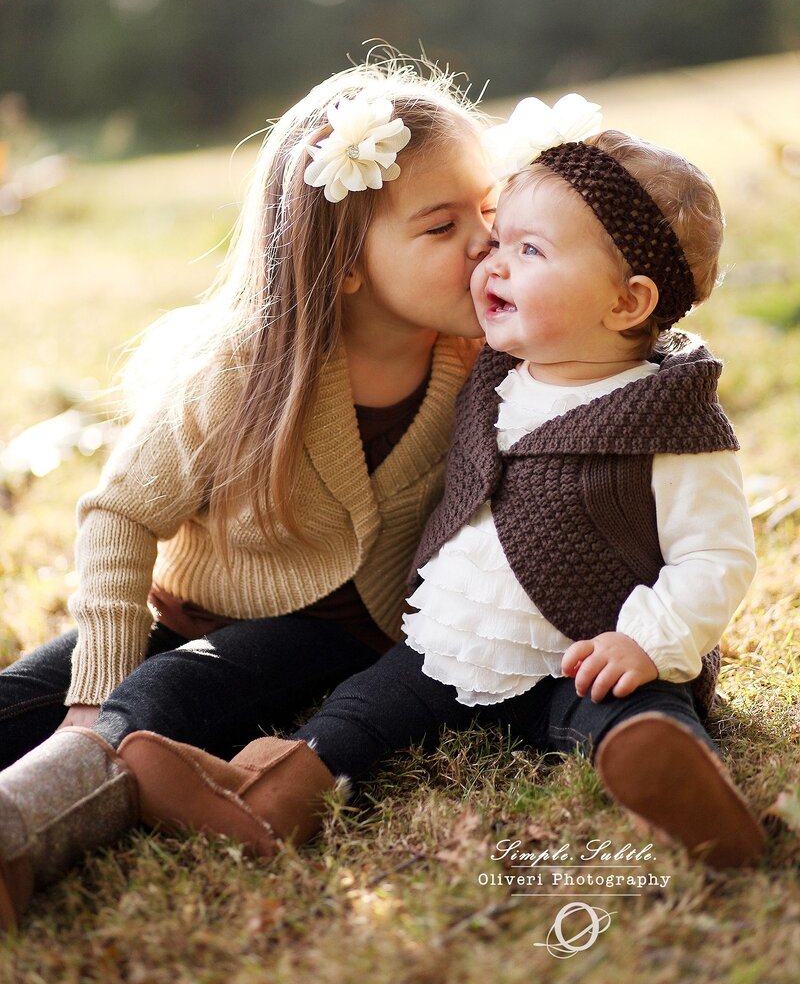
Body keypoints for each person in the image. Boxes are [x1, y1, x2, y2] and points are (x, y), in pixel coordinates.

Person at [109, 94, 764, 875]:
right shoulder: (488, 370)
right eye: (498, 237)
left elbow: (717, 556)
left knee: (624, 711)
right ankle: (273, 795)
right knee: (363, 711)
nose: (490, 259)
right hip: (452, 643)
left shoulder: (668, 418)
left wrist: (649, 643)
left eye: (528, 251)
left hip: (592, 648)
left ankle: (681, 785)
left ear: (627, 303)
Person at [0, 56, 500, 929]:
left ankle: (17, 836)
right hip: (185, 607)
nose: (485, 243)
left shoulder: (483, 368)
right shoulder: (241, 373)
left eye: (488, 213)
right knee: (32, 694)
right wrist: (98, 670)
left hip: (323, 637)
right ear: (342, 262)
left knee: (153, 706)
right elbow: (119, 517)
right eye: (441, 226)